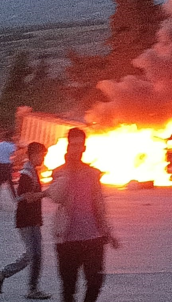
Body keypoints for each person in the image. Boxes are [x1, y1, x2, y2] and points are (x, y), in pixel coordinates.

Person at [36, 128, 120, 302]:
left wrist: (108, 231)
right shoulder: (59, 172)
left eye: (79, 145)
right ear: (68, 147)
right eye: (72, 145)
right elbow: (56, 197)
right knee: (68, 288)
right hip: (67, 239)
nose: (76, 149)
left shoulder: (93, 173)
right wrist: (68, 172)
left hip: (93, 237)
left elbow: (99, 205)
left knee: (96, 281)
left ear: (84, 148)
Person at [0, 142, 51, 300]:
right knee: (34, 255)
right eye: (41, 154)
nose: (43, 157)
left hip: (33, 219)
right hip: (26, 220)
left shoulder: (32, 171)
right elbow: (27, 198)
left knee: (34, 254)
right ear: (33, 155)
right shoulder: (26, 174)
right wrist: (47, 193)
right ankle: (29, 287)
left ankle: (4, 275)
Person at [0, 133, 17, 211]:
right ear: (9, 138)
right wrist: (12, 164)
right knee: (10, 185)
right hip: (7, 166)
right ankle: (16, 202)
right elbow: (13, 155)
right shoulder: (11, 146)